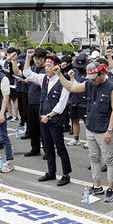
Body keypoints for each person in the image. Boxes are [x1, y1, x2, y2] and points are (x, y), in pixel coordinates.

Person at [58, 60, 113, 202]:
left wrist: (109, 130)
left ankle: (111, 188)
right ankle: (97, 185)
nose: (92, 81)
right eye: (90, 78)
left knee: (109, 159)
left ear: (102, 73)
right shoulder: (90, 83)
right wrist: (60, 74)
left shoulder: (112, 88)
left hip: (104, 130)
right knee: (94, 157)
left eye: (94, 77)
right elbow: (71, 88)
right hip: (91, 128)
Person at [25, 54, 72, 186]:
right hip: (44, 119)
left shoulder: (64, 81)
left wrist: (49, 116)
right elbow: (27, 73)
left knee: (60, 148)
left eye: (49, 66)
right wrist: (28, 58)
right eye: (46, 66)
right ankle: (51, 172)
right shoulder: (44, 79)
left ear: (56, 67)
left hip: (54, 120)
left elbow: (61, 105)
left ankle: (66, 174)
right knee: (48, 147)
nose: (46, 68)